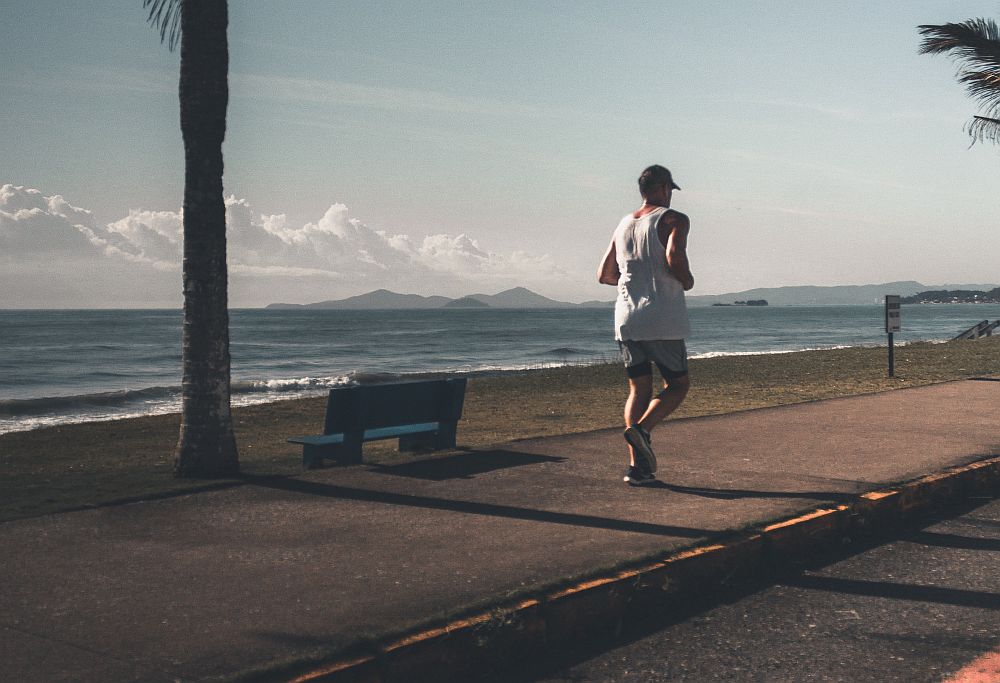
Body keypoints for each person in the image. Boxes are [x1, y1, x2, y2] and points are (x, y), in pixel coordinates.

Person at [597, 165, 694, 486]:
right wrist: (686, 280)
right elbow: (674, 256)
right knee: (678, 385)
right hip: (662, 318)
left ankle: (638, 468)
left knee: (639, 388)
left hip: (626, 318)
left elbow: (606, 275)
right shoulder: (673, 219)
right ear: (665, 187)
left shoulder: (624, 223)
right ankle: (642, 430)